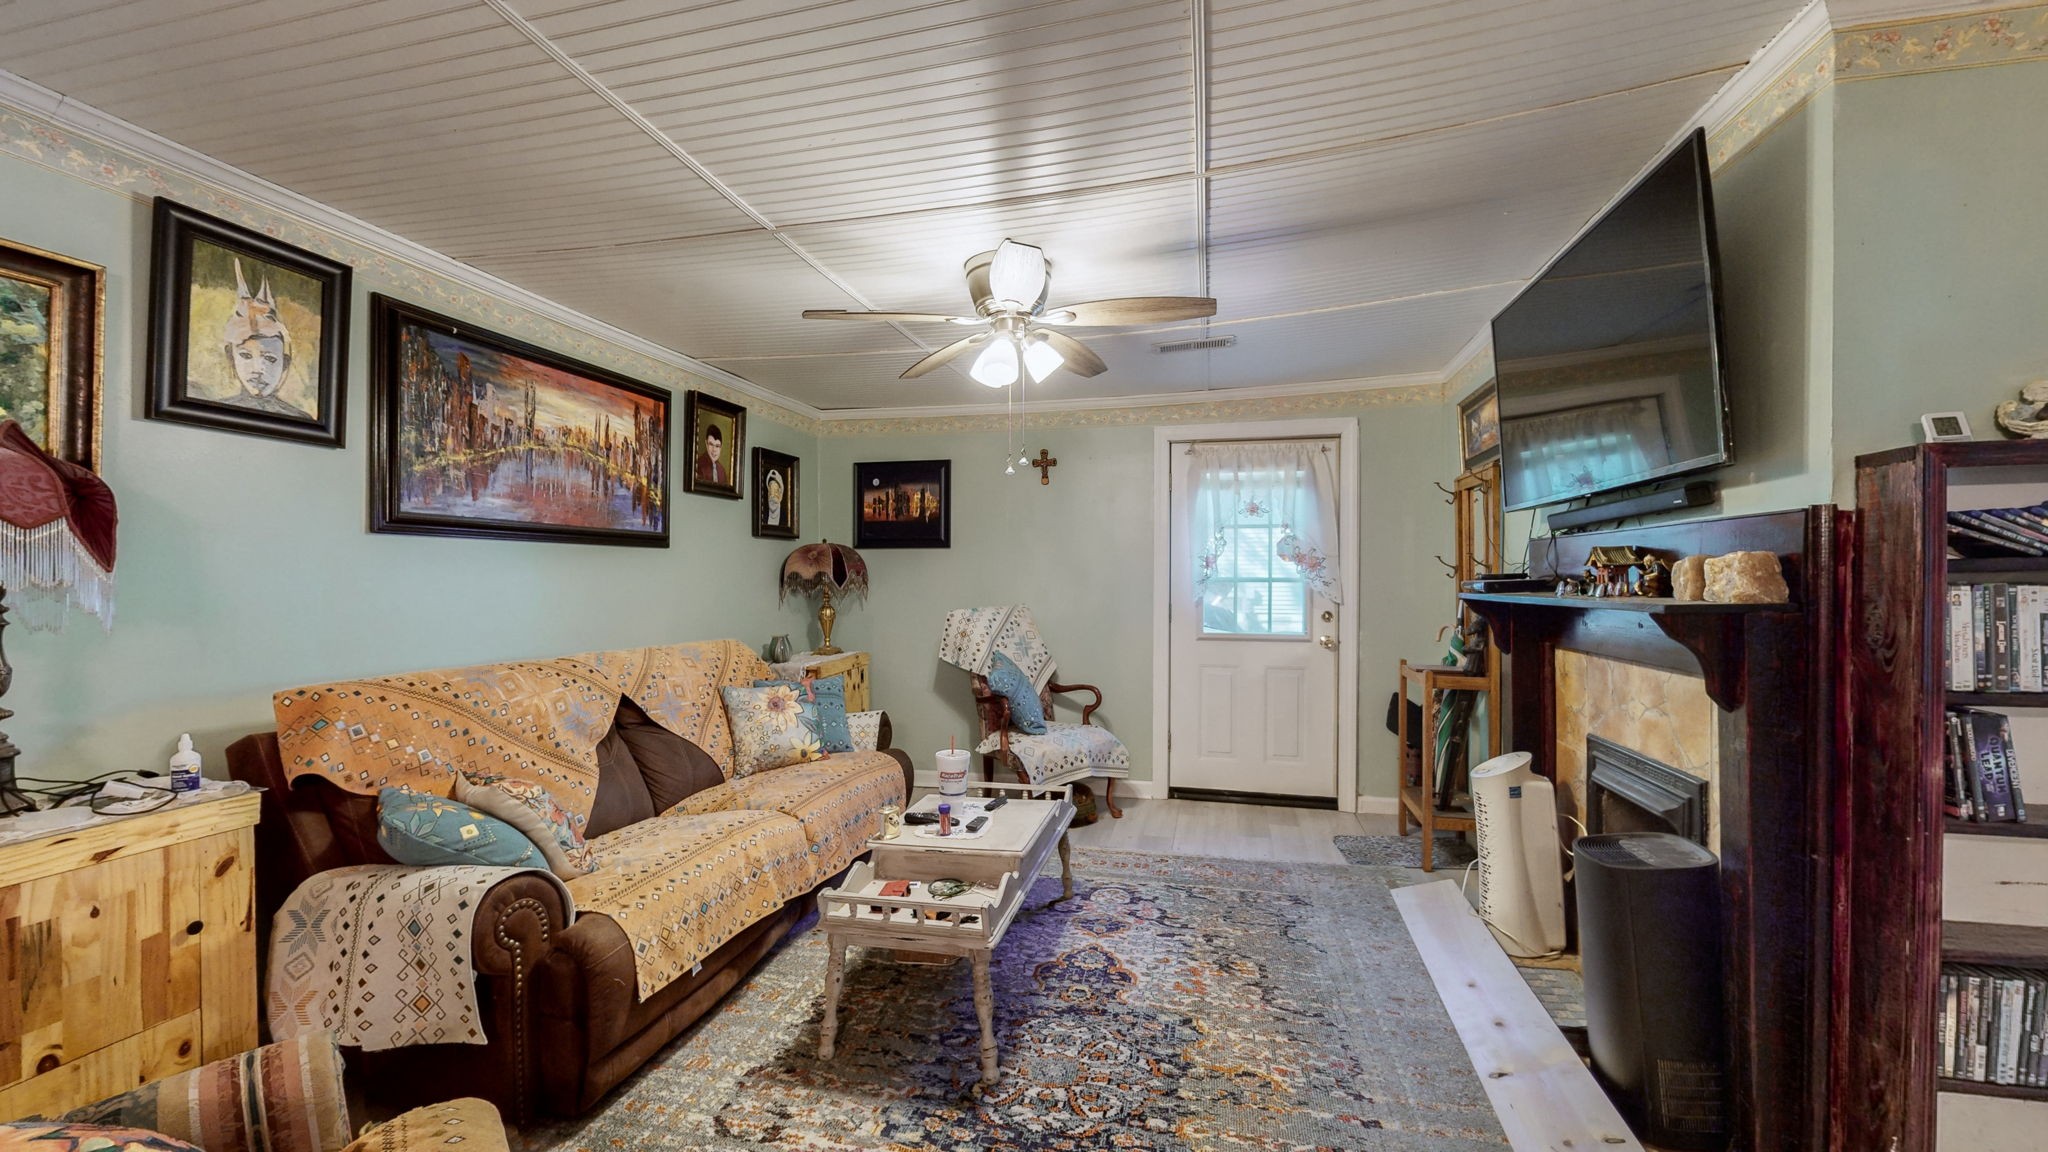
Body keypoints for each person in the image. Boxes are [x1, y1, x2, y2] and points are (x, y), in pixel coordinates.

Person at [215, 258, 308, 419]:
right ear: (231, 357)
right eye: (245, 355)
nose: (258, 369)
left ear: (284, 363)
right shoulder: (214, 412)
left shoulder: (302, 419)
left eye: (270, 358)